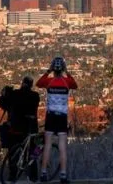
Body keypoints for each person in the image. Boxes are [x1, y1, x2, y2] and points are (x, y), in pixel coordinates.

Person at [36, 56, 78, 184]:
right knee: (62, 146)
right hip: (62, 117)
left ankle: (43, 173)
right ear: (63, 68)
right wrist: (67, 72)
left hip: (50, 116)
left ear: (53, 69)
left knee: (47, 144)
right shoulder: (67, 82)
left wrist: (48, 71)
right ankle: (63, 174)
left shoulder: (48, 82)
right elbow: (75, 85)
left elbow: (38, 83)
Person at [0, 76, 41, 182]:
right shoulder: (35, 96)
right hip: (31, 130)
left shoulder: (14, 95)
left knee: (13, 154)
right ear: (31, 85)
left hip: (15, 130)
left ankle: (12, 176)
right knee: (34, 152)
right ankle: (34, 176)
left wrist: (4, 94)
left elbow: (3, 104)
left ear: (22, 83)